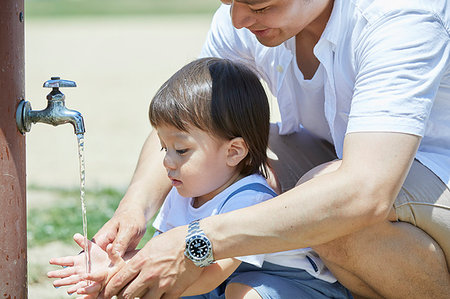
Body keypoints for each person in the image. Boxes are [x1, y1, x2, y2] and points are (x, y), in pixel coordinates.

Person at [95, 0, 450, 298]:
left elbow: (364, 192)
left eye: (259, 5)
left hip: (427, 172)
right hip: (353, 162)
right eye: (230, 2)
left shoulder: (399, 15)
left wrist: (195, 242)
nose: (238, 18)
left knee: (331, 205)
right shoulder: (246, 15)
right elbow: (189, 126)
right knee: (223, 151)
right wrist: (134, 211)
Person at [47, 57, 352, 298]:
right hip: (220, 283)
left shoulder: (250, 197)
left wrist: (123, 276)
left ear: (234, 151)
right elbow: (162, 258)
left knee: (241, 292)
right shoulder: (184, 190)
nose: (167, 161)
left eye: (181, 149)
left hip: (297, 286)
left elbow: (209, 277)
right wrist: (113, 266)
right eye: (164, 148)